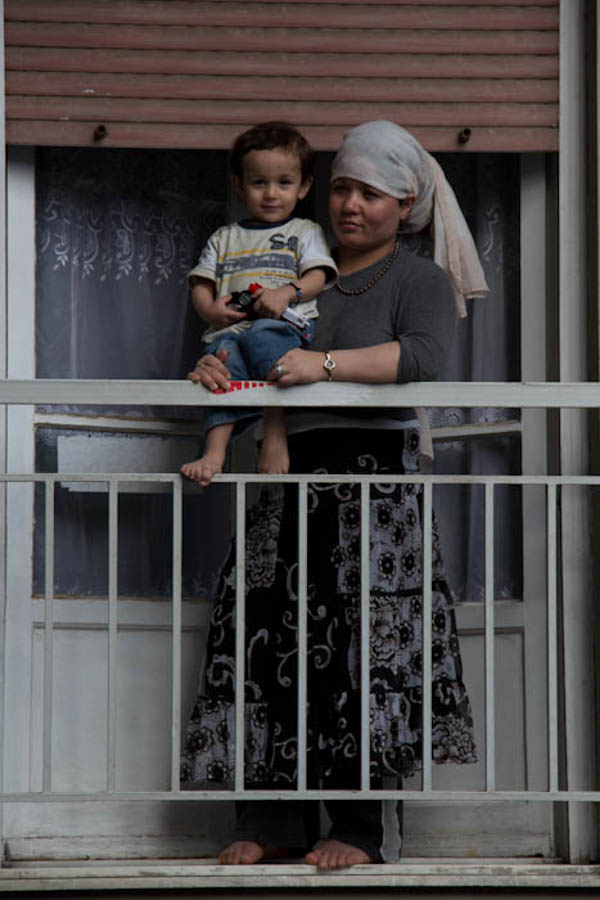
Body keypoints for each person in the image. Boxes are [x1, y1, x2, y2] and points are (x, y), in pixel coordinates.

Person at [180, 121, 488, 869]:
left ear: (405, 205)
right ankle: (274, 820)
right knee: (268, 639)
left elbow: (422, 356)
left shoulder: (416, 278)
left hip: (373, 484)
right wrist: (215, 368)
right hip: (287, 471)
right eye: (343, 188)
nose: (352, 205)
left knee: (361, 652)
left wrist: (320, 366)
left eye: (371, 194)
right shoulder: (289, 269)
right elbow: (243, 354)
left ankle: (359, 828)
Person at [180, 122, 337, 486]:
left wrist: (287, 293)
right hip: (233, 329)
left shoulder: (304, 231)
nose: (271, 194)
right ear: (239, 185)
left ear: (304, 187)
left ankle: (274, 424)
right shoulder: (225, 237)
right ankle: (214, 452)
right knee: (223, 367)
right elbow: (201, 284)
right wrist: (210, 311)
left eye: (284, 182)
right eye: (259, 182)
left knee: (263, 335)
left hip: (282, 327)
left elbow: (318, 277)